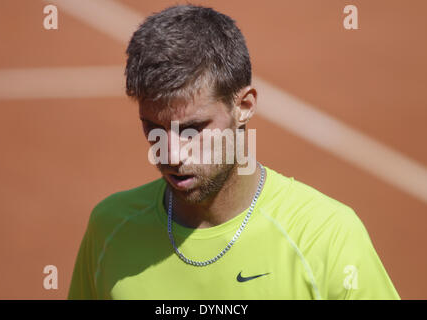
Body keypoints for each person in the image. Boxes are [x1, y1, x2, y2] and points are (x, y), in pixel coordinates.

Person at [68, 4, 400, 300]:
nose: (170, 154)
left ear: (244, 106)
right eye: (153, 127)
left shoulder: (327, 237)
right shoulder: (108, 229)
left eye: (192, 129)